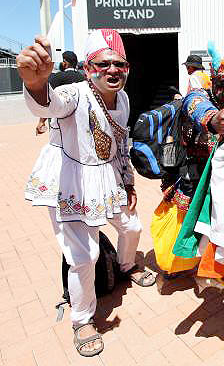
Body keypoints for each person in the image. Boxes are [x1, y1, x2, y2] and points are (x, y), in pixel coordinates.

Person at [17, 30, 156, 357]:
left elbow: (121, 142)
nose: (112, 70)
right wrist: (37, 85)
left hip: (107, 177)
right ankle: (82, 319)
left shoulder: (122, 98)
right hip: (71, 181)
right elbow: (51, 104)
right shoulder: (75, 93)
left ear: (127, 68)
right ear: (86, 66)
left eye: (119, 64)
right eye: (103, 63)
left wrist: (129, 180)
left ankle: (126, 266)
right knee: (83, 256)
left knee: (132, 227)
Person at [162, 44, 224, 293]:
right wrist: (213, 119)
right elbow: (193, 103)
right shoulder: (200, 99)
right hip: (195, 179)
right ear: (213, 83)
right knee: (189, 225)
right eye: (222, 84)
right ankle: (184, 264)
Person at [36, 51, 85, 135]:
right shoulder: (82, 77)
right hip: (80, 119)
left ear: (65, 63)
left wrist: (41, 121)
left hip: (61, 121)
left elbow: (48, 99)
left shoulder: (58, 77)